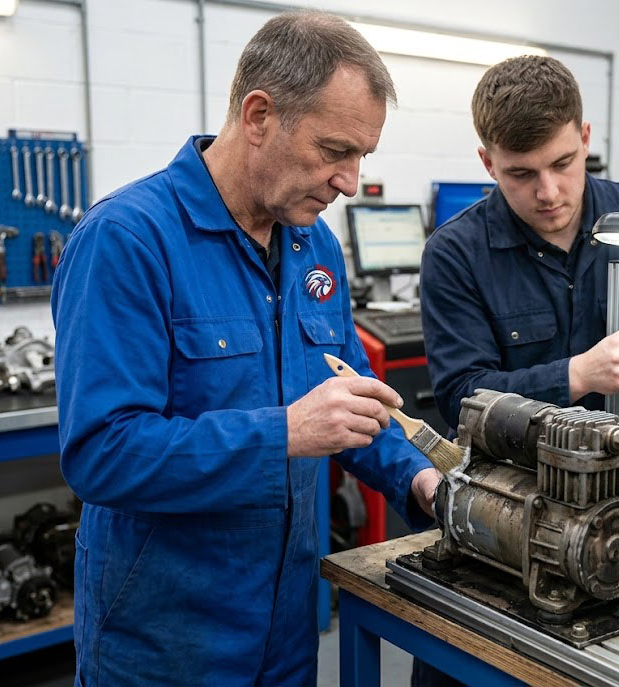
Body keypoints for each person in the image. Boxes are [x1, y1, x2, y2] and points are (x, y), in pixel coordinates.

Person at [51, 11, 438, 687]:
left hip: (289, 632)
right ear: (259, 115)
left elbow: (350, 404)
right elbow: (101, 452)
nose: (349, 182)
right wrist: (285, 431)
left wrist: (420, 479)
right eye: (334, 150)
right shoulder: (128, 240)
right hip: (166, 643)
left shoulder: (311, 243)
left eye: (362, 158)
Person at [414, 55, 619, 686]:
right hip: (513, 524)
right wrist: (577, 375)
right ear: (487, 164)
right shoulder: (455, 254)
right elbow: (458, 398)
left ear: (585, 138)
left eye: (563, 163)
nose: (550, 192)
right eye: (520, 174)